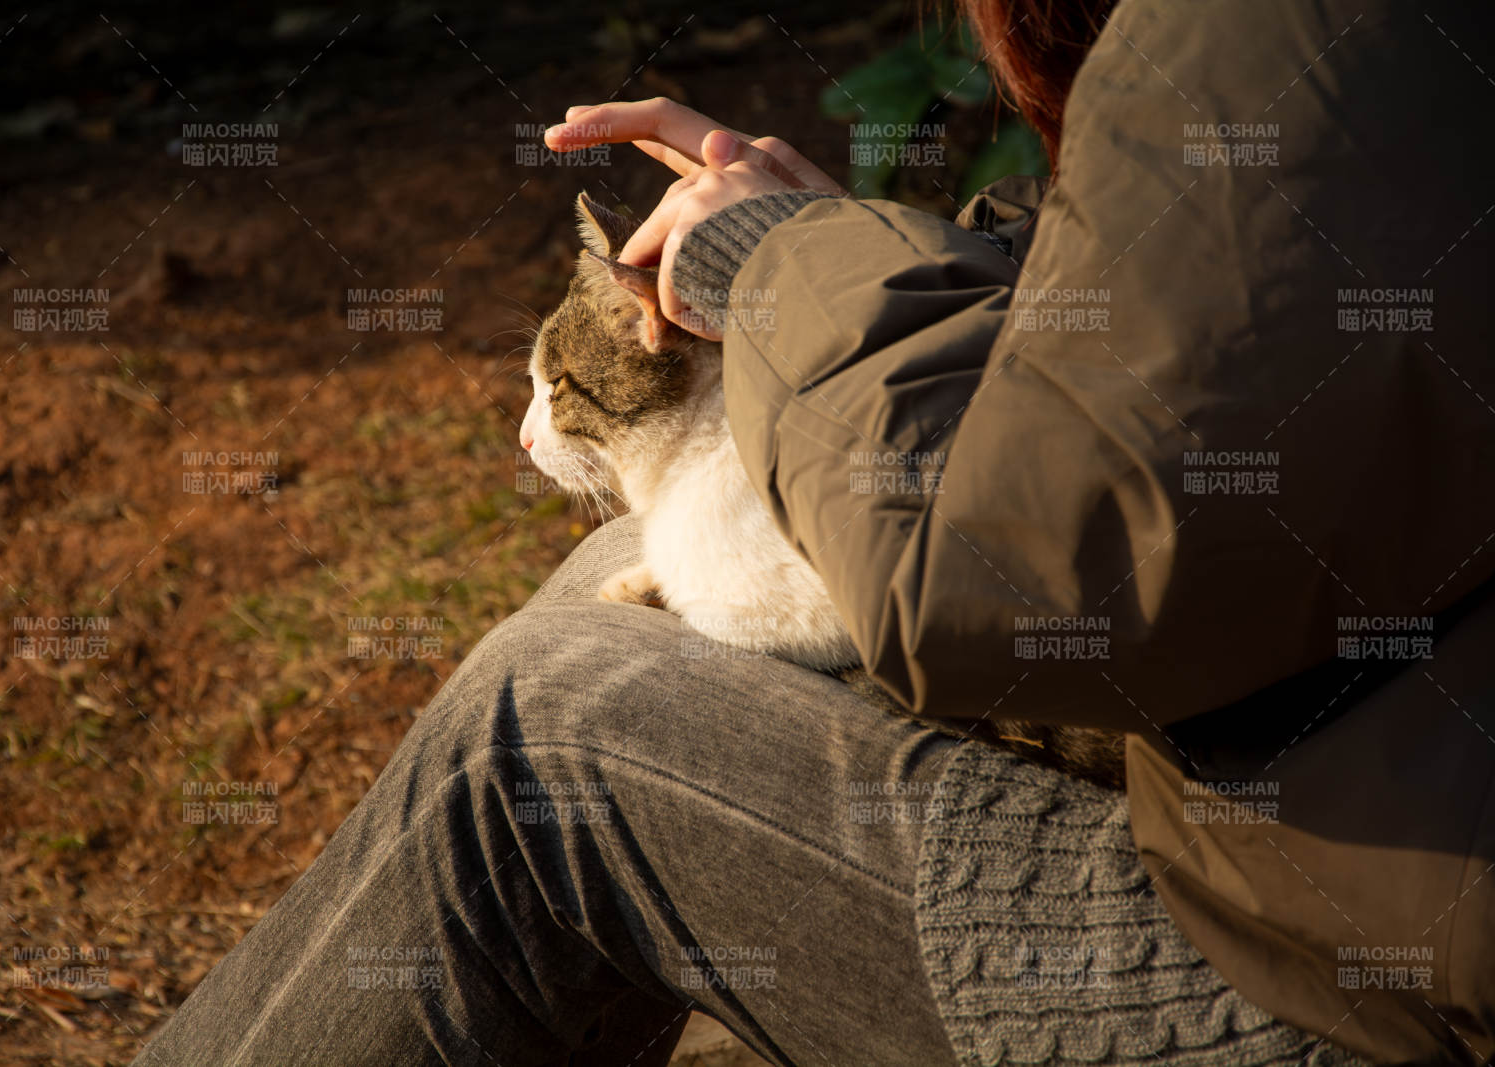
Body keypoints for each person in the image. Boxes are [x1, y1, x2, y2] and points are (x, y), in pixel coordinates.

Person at [132, 0, 1493, 1063]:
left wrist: (778, 261)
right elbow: (1171, 354)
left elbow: (999, 575)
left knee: (542, 726)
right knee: (634, 563)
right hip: (1346, 823)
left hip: (1337, 974)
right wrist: (851, 248)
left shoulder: (1278, 40)